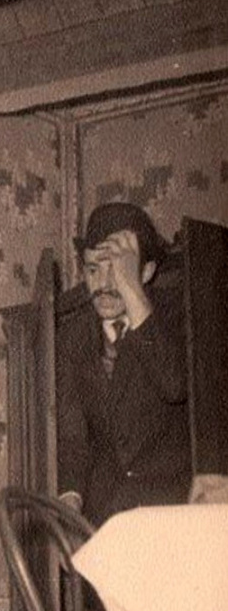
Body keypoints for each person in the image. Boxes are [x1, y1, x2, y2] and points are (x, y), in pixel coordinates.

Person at [56, 201, 192, 528]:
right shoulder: (73, 337)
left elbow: (174, 384)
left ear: (145, 271)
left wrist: (131, 290)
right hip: (105, 516)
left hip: (172, 512)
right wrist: (70, 499)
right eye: (93, 270)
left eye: (116, 269)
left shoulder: (178, 317)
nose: (103, 284)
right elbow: (74, 437)